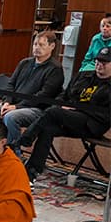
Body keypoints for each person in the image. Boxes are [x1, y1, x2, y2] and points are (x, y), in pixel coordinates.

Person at [20, 46, 111, 184]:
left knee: (53, 111)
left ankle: (26, 138)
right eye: (98, 61)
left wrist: (75, 109)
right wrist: (62, 105)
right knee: (47, 128)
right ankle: (31, 173)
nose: (99, 65)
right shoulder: (83, 75)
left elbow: (106, 116)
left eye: (104, 63)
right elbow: (64, 95)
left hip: (92, 124)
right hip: (68, 117)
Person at [0, 31, 64, 157]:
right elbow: (10, 84)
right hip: (13, 104)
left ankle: (13, 153)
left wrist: (17, 107)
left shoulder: (55, 69)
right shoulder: (25, 62)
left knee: (11, 117)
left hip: (37, 109)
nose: (37, 48)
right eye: (35, 44)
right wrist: (6, 102)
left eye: (41, 45)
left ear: (52, 46)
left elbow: (43, 95)